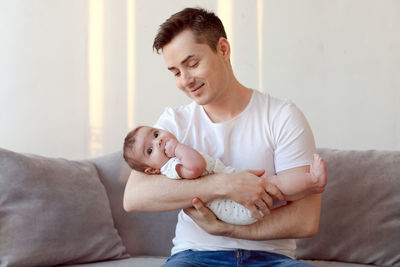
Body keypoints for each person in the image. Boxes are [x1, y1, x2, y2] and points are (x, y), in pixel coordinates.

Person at [123, 7, 326, 266]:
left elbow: (306, 220)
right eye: (175, 72)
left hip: (271, 258)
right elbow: (134, 197)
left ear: (223, 49)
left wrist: (228, 230)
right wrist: (225, 185)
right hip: (194, 255)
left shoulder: (282, 116)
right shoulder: (172, 126)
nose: (185, 80)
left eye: (192, 64)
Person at [123, 126, 326, 225]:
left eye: (156, 134)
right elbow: (196, 166)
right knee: (273, 184)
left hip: (236, 201)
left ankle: (310, 185)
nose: (158, 142)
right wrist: (176, 148)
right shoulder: (171, 168)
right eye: (149, 150)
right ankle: (313, 181)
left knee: (276, 187)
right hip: (234, 207)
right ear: (152, 171)